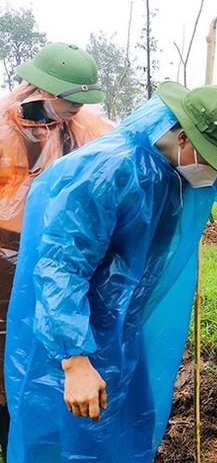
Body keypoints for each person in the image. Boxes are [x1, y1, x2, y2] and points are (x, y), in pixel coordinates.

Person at [4, 81, 217, 462]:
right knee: (76, 435)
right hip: (74, 329)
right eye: (213, 160)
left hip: (123, 325)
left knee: (128, 422)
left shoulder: (189, 163)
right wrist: (74, 359)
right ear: (184, 138)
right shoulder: (105, 173)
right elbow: (60, 268)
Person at [0, 42, 115, 459]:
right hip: (5, 262)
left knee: (53, 348)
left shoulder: (84, 126)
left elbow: (118, 158)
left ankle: (50, 431)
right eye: (68, 102)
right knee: (7, 353)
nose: (73, 110)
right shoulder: (4, 127)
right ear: (39, 89)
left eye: (79, 103)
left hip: (63, 255)